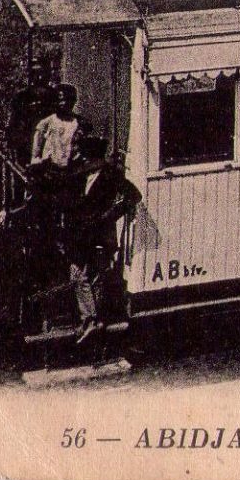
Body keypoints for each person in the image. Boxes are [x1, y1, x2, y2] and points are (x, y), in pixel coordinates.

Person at [59, 147, 142, 345]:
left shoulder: (110, 175)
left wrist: (109, 216)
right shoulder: (81, 176)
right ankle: (94, 321)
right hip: (82, 237)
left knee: (83, 276)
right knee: (84, 276)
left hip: (101, 236)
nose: (82, 159)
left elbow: (134, 195)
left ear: (95, 158)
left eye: (85, 156)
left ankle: (92, 321)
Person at [30, 84, 81, 181]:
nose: (64, 103)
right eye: (60, 100)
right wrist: (36, 158)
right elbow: (38, 142)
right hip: (50, 169)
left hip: (70, 169)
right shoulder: (48, 122)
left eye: (68, 100)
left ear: (73, 101)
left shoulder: (77, 123)